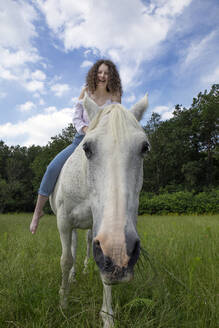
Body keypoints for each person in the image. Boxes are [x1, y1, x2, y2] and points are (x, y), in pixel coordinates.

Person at [30, 59, 123, 234]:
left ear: (111, 77)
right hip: (80, 139)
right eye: (100, 72)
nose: (103, 76)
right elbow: (76, 117)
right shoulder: (86, 91)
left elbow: (117, 120)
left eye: (107, 73)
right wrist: (86, 129)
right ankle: (37, 212)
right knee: (51, 168)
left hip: (104, 143)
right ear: (95, 73)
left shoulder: (115, 94)